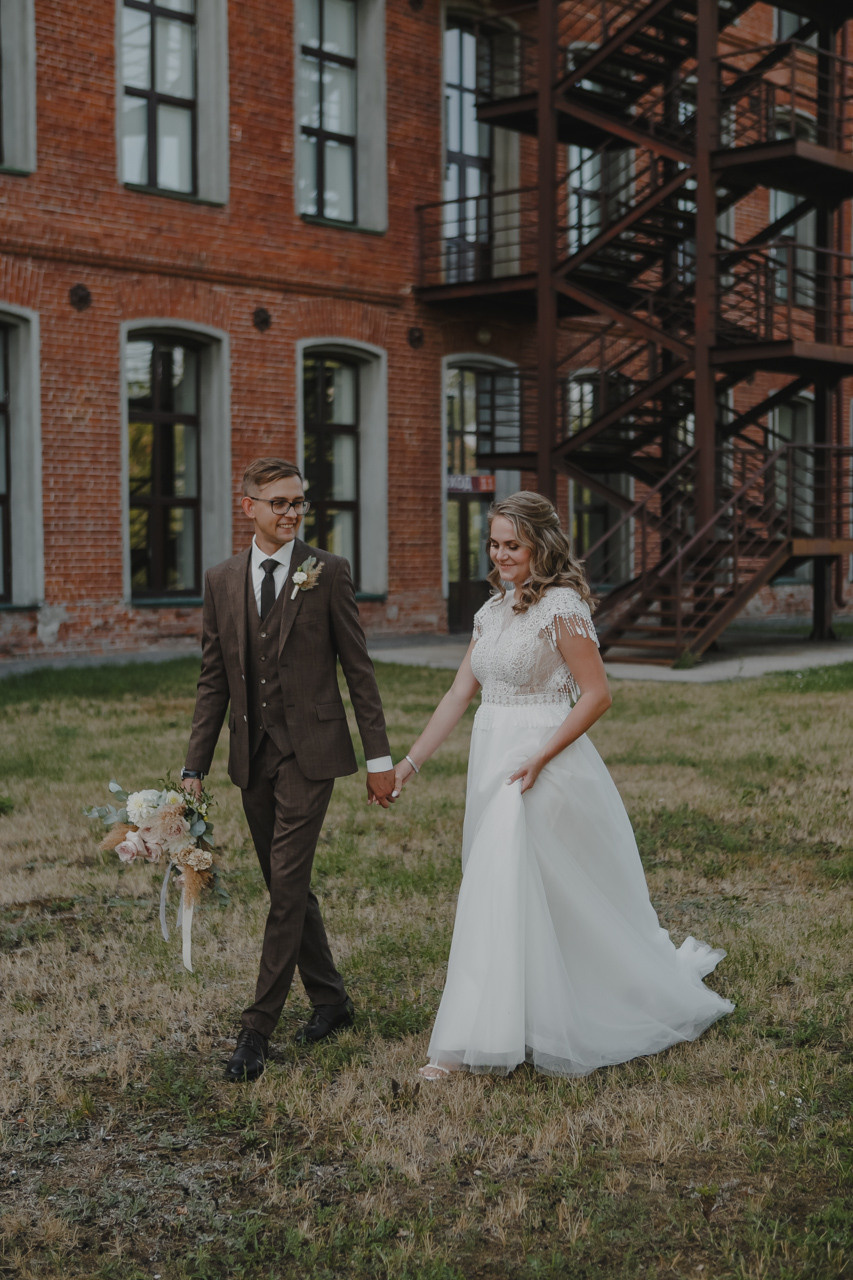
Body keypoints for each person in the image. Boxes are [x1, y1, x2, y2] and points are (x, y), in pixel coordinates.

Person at [394, 491, 734, 1080]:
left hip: (542, 761)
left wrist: (541, 758)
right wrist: (410, 763)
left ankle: (463, 1044)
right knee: (509, 889)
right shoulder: (491, 611)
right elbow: (457, 695)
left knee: (509, 887)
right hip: (491, 756)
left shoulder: (562, 608)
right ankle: (513, 1015)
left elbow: (597, 695)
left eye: (513, 546)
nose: (501, 556)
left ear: (540, 546)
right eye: (495, 544)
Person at [182, 458, 396, 1082]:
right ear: (247, 505)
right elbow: (213, 680)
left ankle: (256, 1031)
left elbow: (359, 671)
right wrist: (195, 766)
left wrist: (379, 759)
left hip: (313, 753)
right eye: (278, 502)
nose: (291, 512)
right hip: (252, 758)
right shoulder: (221, 581)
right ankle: (331, 1000)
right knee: (288, 886)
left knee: (285, 885)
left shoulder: (326, 573)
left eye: (298, 502)